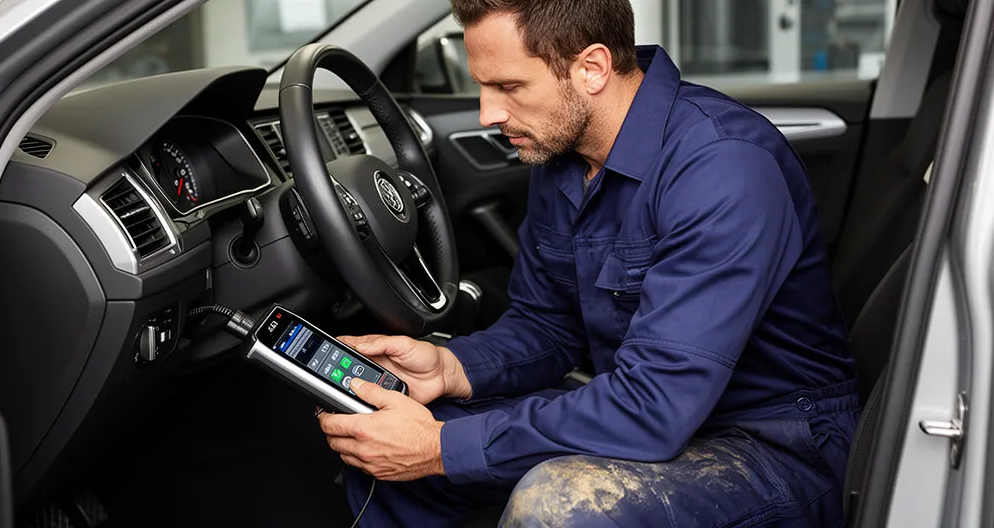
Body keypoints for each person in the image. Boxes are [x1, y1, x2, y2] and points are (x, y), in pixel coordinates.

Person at [317, 0, 861, 525]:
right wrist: (452, 369)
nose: (489, 113)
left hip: (775, 444)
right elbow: (549, 325)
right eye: (481, 85)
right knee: (379, 438)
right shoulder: (563, 152)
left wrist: (438, 448)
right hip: (649, 411)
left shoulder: (723, 168)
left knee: (558, 504)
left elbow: (653, 407)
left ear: (592, 68)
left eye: (508, 86)